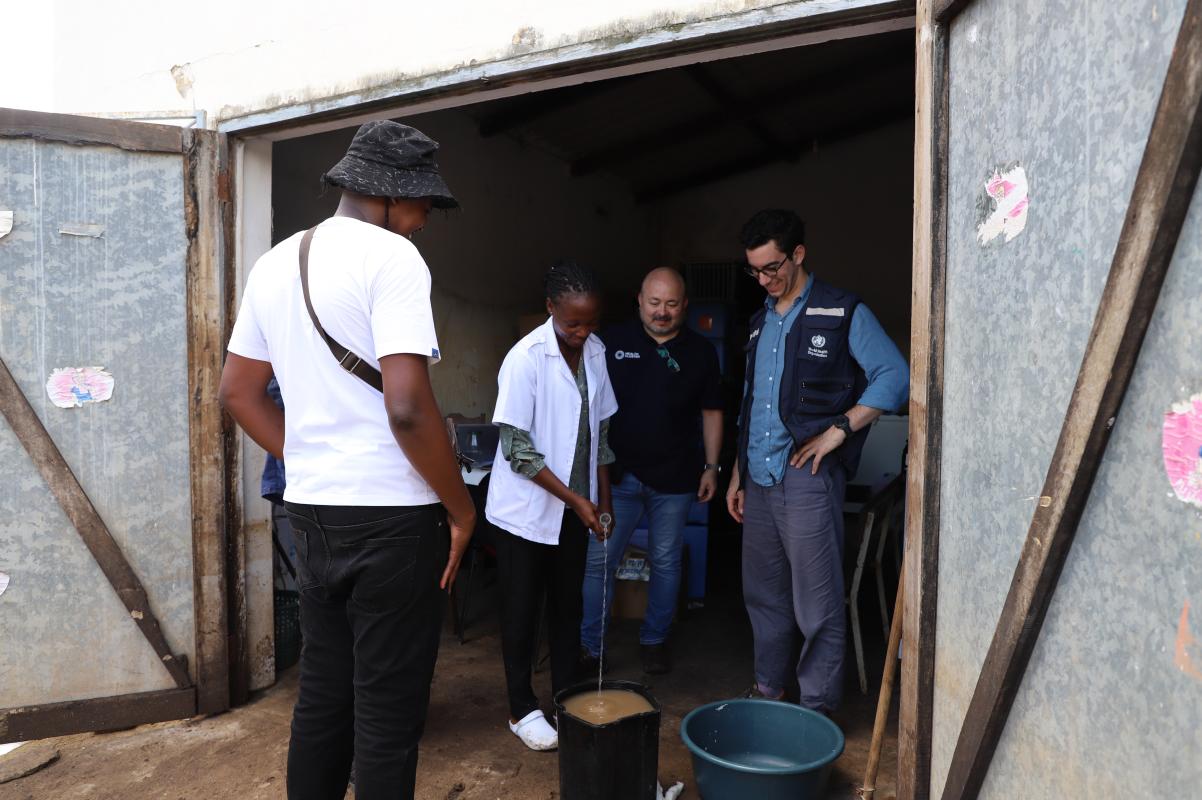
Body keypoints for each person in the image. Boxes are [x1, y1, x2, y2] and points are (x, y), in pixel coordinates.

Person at [218, 120, 476, 800]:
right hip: (395, 520)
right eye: (423, 203)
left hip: (311, 511)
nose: (425, 219)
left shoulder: (274, 263)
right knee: (387, 718)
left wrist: (308, 456)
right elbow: (408, 408)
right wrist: (460, 510)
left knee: (324, 698)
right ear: (389, 195)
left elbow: (238, 393)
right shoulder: (394, 259)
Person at [725, 209, 908, 714]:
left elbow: (895, 376)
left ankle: (818, 710)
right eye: (754, 271)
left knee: (817, 603)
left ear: (798, 254)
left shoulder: (843, 310)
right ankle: (769, 688)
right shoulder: (760, 322)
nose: (764, 281)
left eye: (772, 268)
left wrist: (841, 428)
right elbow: (751, 404)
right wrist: (738, 473)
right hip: (759, 478)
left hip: (806, 477)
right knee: (763, 595)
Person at [485, 260, 618, 751]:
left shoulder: (596, 353)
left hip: (576, 511)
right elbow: (518, 451)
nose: (583, 332)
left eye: (591, 322)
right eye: (573, 323)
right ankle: (521, 708)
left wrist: (603, 500)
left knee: (568, 607)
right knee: (521, 612)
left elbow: (601, 434)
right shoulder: (525, 359)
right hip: (524, 514)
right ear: (550, 309)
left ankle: (566, 699)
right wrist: (578, 500)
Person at [580, 267, 722, 675]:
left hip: (676, 478)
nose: (662, 312)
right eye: (655, 302)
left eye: (671, 304)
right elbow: (587, 403)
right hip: (616, 477)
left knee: (665, 561)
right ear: (639, 300)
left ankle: (654, 641)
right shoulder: (609, 342)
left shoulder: (701, 351)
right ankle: (590, 646)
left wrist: (712, 467)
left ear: (685, 305)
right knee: (599, 561)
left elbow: (712, 411)